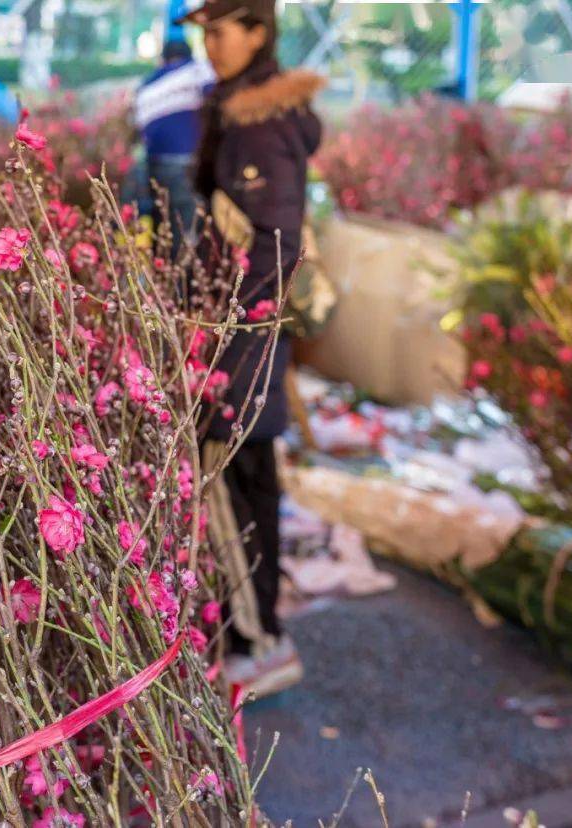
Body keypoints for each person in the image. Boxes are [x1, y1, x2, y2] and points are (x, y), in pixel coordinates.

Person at [179, 0, 324, 697]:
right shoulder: (239, 109)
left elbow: (276, 248)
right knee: (250, 479)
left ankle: (260, 642)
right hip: (242, 330)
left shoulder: (259, 123)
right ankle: (257, 630)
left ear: (258, 32)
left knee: (231, 479)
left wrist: (232, 343)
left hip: (244, 336)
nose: (210, 44)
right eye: (203, 32)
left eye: (220, 30)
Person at [132, 37, 216, 252]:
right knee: (188, 228)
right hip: (190, 163)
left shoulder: (148, 84)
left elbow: (140, 128)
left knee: (164, 223)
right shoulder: (199, 71)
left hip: (157, 163)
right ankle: (182, 280)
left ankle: (163, 273)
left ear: (163, 60)